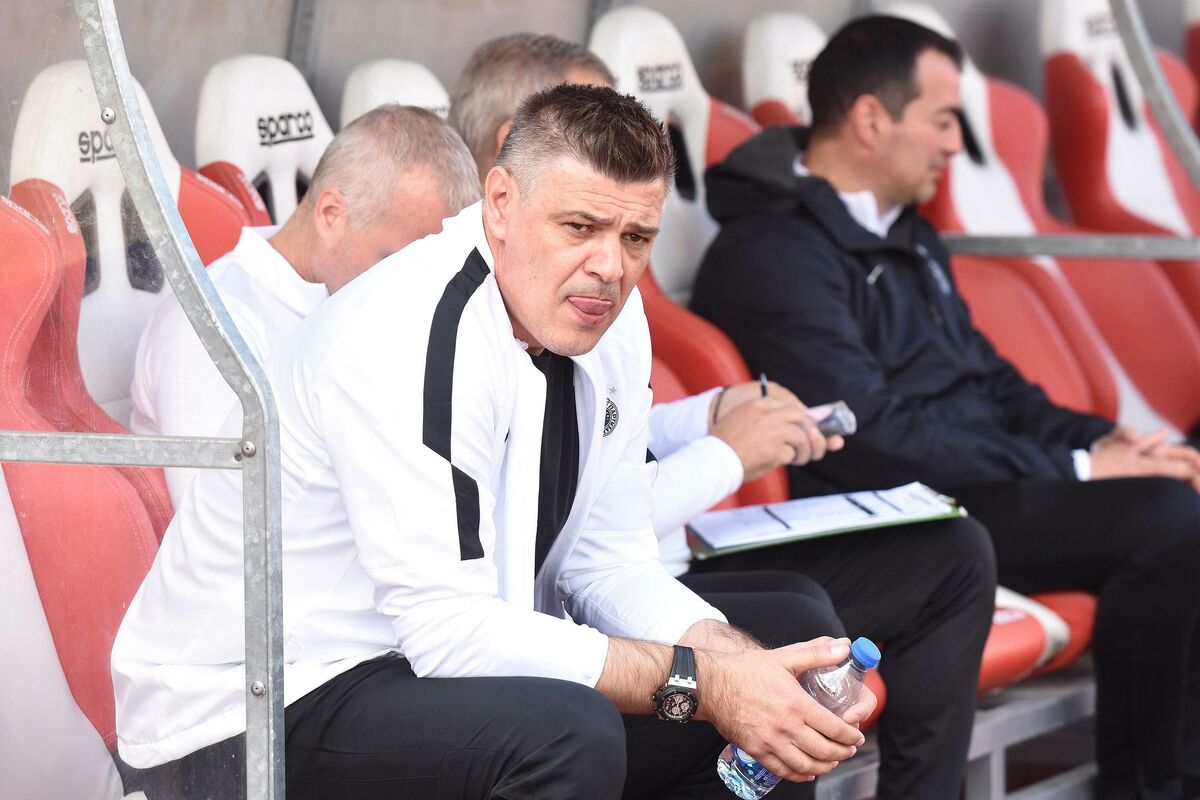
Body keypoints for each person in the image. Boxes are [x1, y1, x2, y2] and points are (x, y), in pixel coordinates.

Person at [112, 84, 876, 800]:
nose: (609, 267)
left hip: (413, 670)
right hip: (250, 709)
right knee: (569, 733)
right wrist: (702, 683)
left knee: (780, 658)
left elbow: (608, 561)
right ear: (502, 202)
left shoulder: (610, 319)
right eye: (579, 227)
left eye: (636, 237)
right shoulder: (409, 329)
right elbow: (450, 634)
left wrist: (742, 672)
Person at [450, 32, 997, 800]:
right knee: (782, 644)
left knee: (875, 596)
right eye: (592, 121)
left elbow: (605, 448)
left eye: (633, 236)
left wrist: (707, 413)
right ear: (517, 158)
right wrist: (728, 456)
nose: (611, 259)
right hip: (511, 648)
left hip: (623, 584)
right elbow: (557, 535)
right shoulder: (450, 310)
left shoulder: (604, 297)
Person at [693, 15, 1200, 800]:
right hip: (893, 507)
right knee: (1167, 520)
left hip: (976, 483)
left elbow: (992, 383)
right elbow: (872, 434)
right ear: (871, 121)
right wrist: (1075, 466)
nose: (956, 143)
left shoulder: (909, 234)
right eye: (942, 119)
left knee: (1176, 482)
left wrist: (1110, 443)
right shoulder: (773, 254)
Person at [129, 104, 481, 503]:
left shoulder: (358, 297)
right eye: (395, 262)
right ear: (330, 214)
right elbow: (220, 513)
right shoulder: (211, 329)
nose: (418, 293)